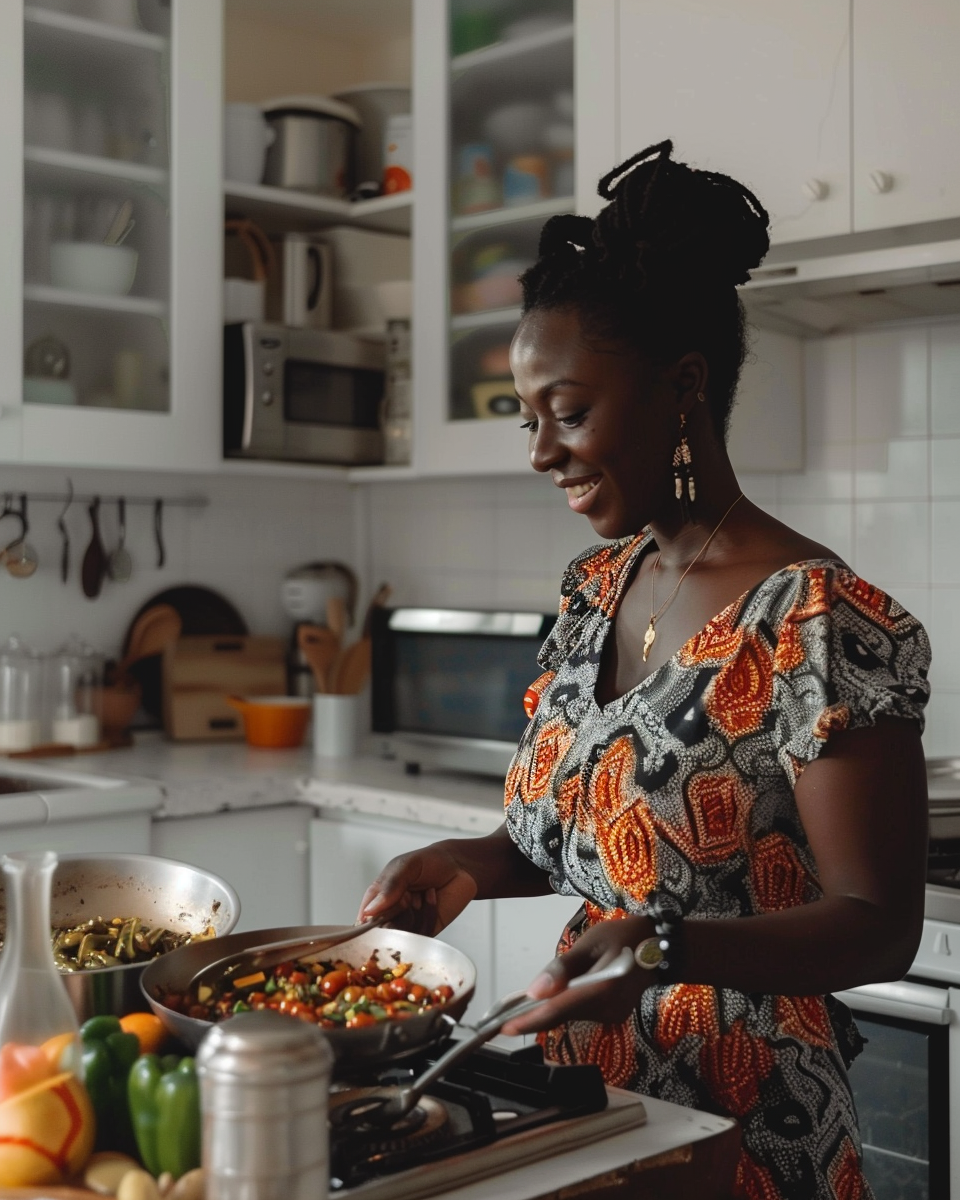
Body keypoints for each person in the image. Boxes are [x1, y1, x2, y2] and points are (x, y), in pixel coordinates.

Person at [358, 141, 930, 1200]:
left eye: (567, 413)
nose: (541, 450)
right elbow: (602, 841)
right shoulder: (595, 589)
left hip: (749, 1115)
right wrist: (472, 864)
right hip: (591, 1105)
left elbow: (880, 922)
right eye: (529, 417)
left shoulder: (816, 617)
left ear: (683, 389)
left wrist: (659, 947)